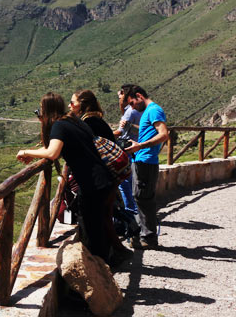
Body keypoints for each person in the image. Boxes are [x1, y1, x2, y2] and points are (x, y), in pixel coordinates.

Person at [17, 93, 116, 263]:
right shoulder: (73, 121)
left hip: (91, 184)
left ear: (46, 110)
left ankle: (98, 277)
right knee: (97, 229)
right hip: (103, 180)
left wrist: (26, 152)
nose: (39, 115)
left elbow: (52, 153)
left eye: (40, 111)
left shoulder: (59, 125)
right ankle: (103, 271)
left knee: (91, 234)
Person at [69, 89, 133, 261]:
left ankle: (104, 258)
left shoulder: (89, 122)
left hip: (101, 176)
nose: (70, 106)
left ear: (81, 104)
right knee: (105, 214)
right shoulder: (96, 120)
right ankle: (115, 252)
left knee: (100, 216)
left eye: (73, 102)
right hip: (108, 175)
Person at [124, 85, 168, 250]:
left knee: (144, 198)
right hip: (143, 159)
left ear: (139, 96)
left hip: (146, 161)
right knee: (141, 197)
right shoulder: (148, 113)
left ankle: (148, 238)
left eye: (132, 103)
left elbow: (164, 134)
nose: (132, 107)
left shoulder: (154, 110)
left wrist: (140, 145)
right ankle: (145, 235)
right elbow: (149, 131)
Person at [114, 84, 141, 217]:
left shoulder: (130, 112)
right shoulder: (138, 110)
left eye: (120, 96)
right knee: (131, 183)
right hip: (135, 149)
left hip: (127, 149)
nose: (119, 98)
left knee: (124, 184)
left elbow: (120, 132)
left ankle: (131, 214)